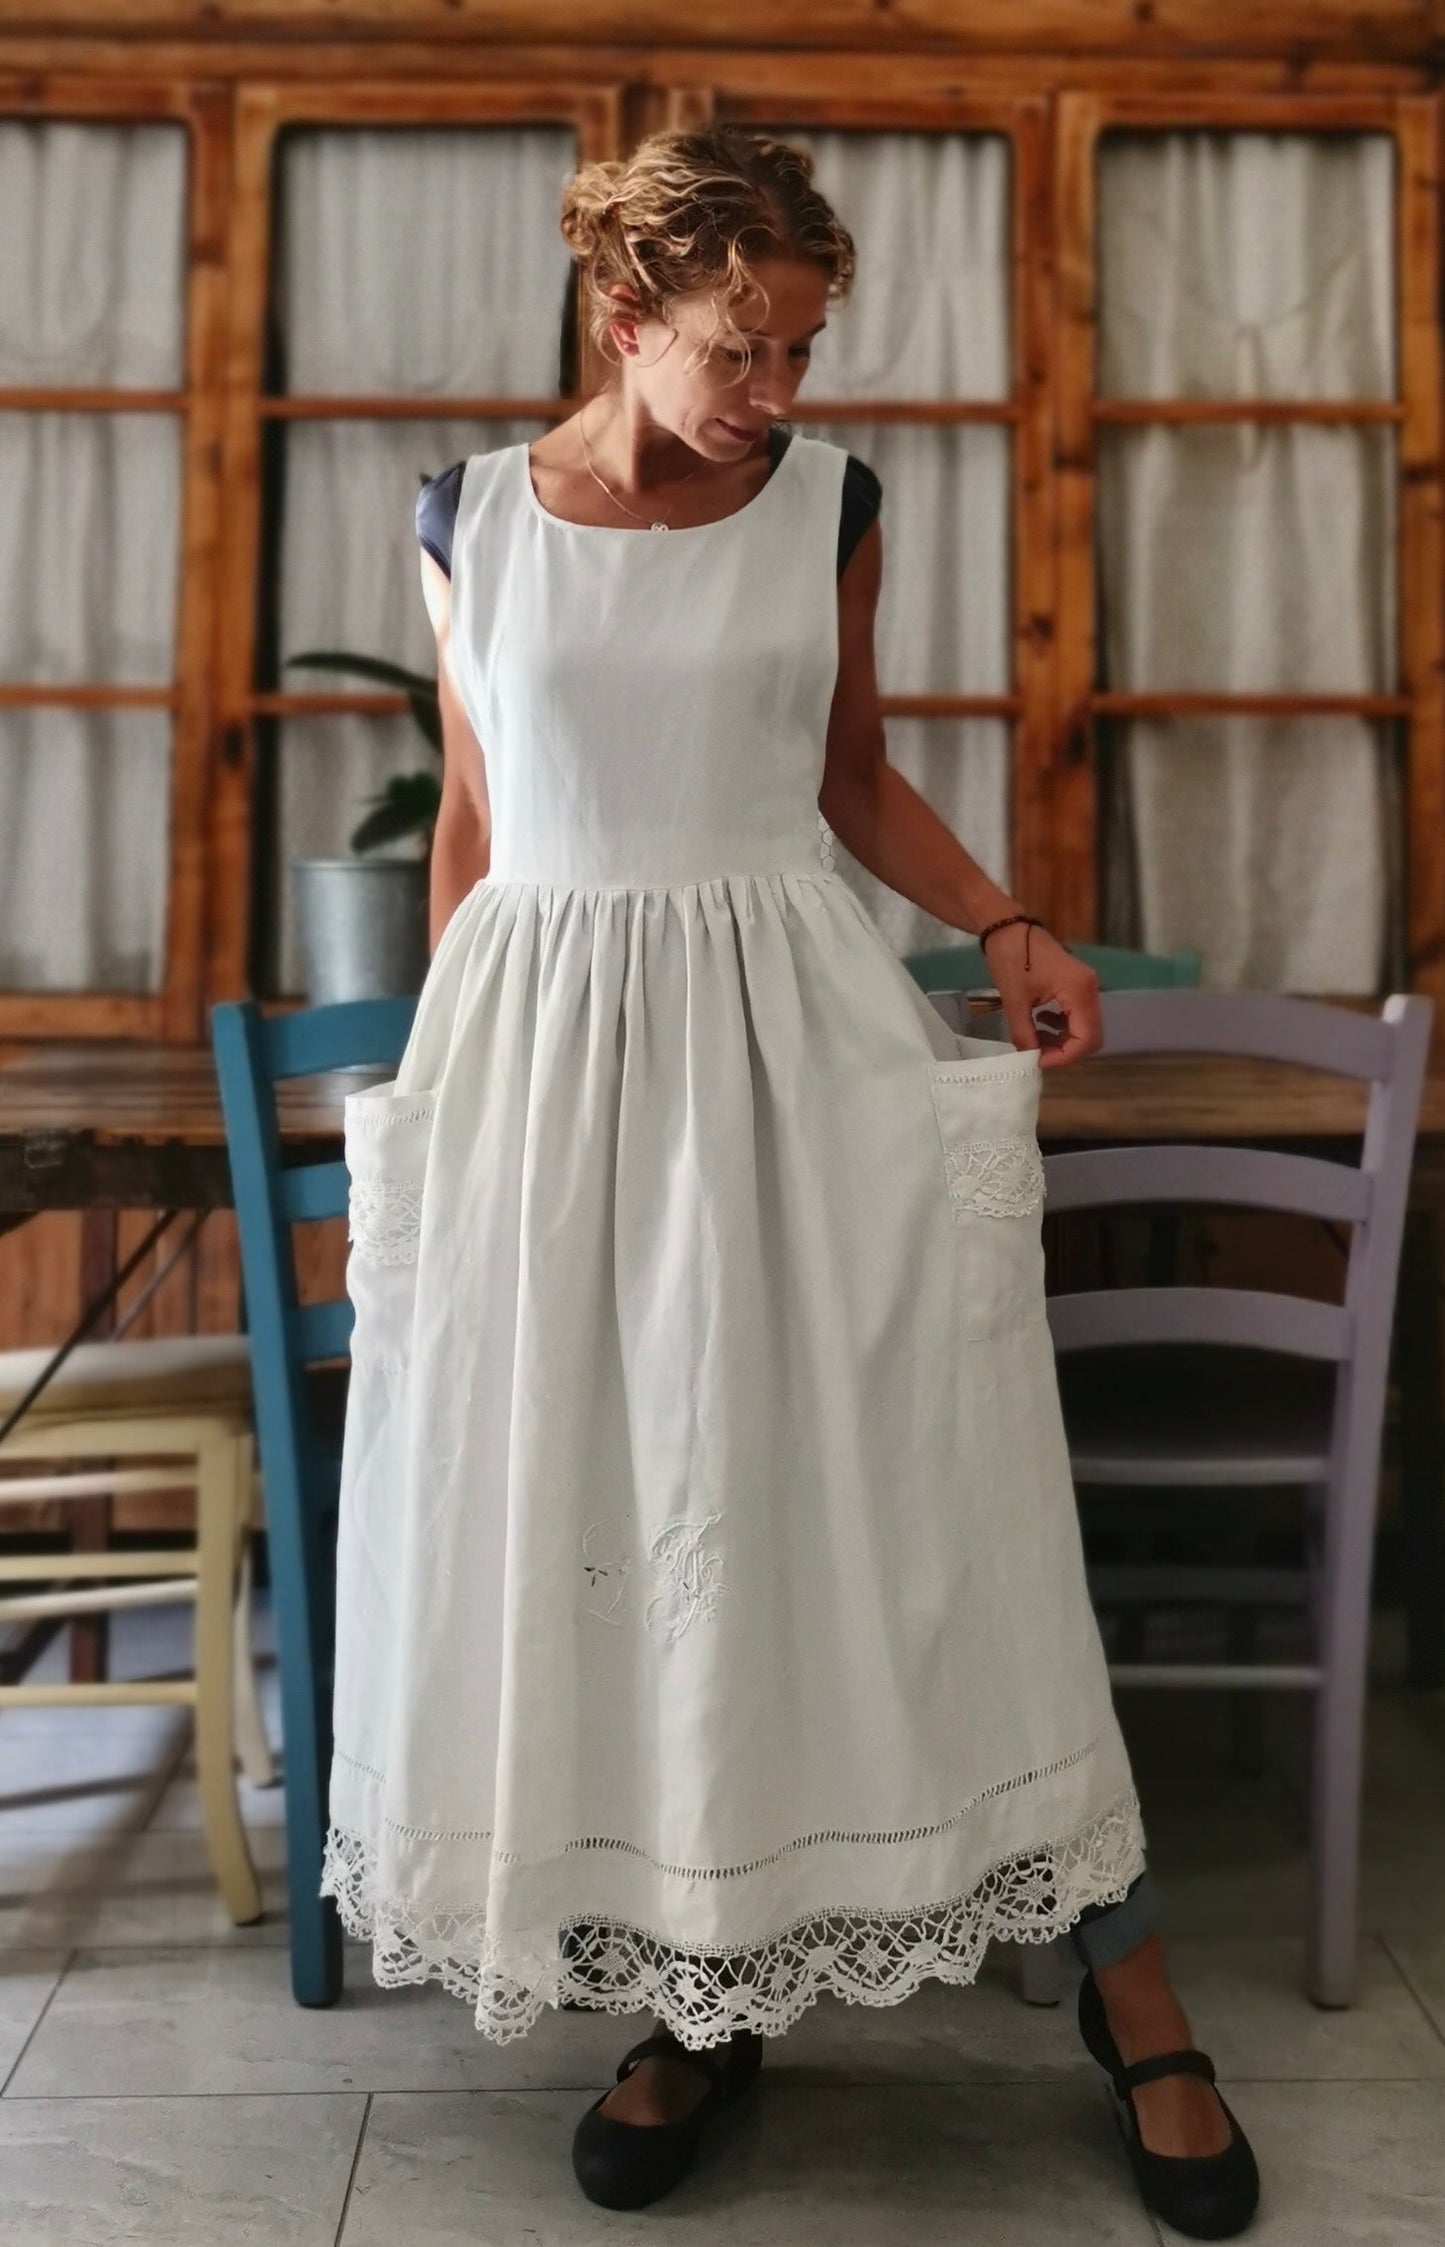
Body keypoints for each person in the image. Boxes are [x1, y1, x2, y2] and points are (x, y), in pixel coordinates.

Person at [319, 126, 1260, 2237]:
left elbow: (844, 777)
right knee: (628, 1515)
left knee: (936, 1497)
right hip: (553, 1070)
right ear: (624, 312)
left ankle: (1134, 1986)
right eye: (746, 347)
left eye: (805, 348)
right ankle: (698, 1997)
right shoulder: (466, 515)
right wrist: (448, 1096)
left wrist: (1008, 918)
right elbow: (479, 817)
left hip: (792, 1033)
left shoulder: (823, 503)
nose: (783, 389)